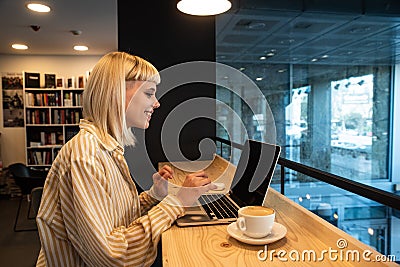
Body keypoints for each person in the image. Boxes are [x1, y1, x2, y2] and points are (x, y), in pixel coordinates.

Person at [36, 51, 216, 266]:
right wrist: (178, 201)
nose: (156, 103)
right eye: (149, 93)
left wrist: (154, 196)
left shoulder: (106, 148)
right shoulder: (86, 156)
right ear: (116, 93)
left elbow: (115, 219)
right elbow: (113, 256)